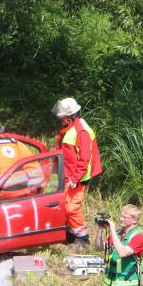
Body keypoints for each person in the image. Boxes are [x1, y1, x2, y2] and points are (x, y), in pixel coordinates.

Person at [52, 98, 102, 242]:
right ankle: (70, 233)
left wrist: (75, 178)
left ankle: (82, 237)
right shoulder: (69, 127)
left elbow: (84, 159)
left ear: (71, 115)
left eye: (63, 117)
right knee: (63, 205)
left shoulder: (81, 131)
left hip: (77, 177)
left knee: (71, 208)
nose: (60, 119)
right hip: (67, 174)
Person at [0, 120, 44, 199]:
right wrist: (35, 192)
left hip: (3, 194)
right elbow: (32, 165)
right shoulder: (15, 142)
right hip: (24, 190)